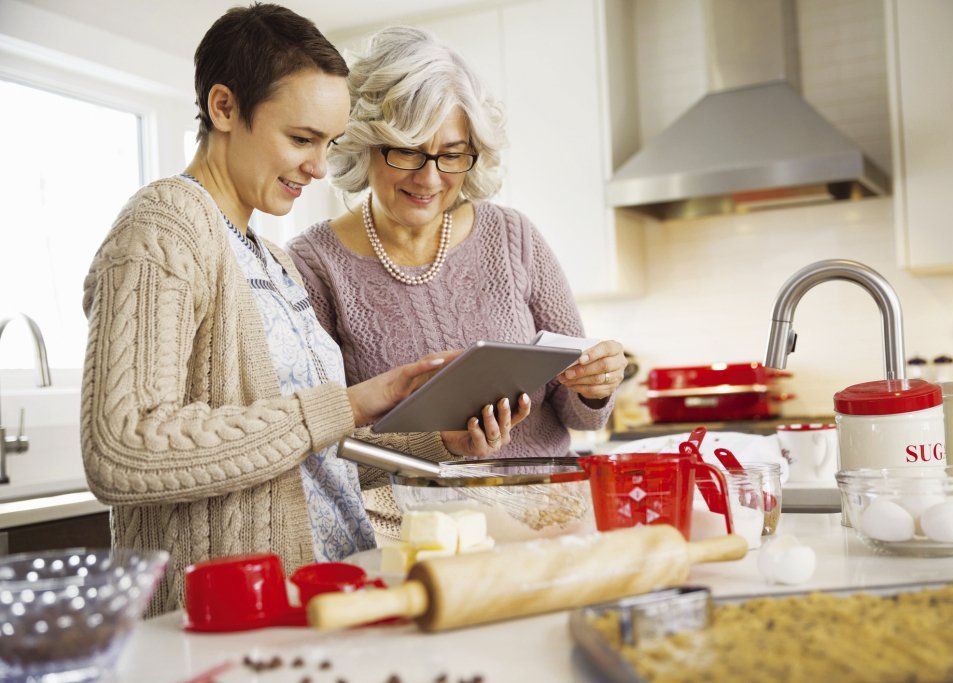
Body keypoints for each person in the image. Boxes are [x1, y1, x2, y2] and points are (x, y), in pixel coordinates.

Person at [80, 6, 523, 615]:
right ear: (225, 108)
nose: (319, 168)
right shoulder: (164, 228)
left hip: (327, 597)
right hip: (230, 621)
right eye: (301, 139)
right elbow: (122, 448)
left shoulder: (272, 259)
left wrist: (435, 441)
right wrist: (346, 403)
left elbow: (312, 457)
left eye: (330, 143)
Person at [287, 26, 627, 538]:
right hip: (412, 537)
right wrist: (441, 444)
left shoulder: (513, 237)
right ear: (363, 142)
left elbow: (581, 415)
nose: (429, 179)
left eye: (451, 154)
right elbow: (328, 447)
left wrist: (597, 387)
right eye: (406, 151)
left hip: (548, 519)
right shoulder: (314, 264)